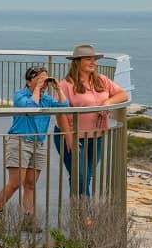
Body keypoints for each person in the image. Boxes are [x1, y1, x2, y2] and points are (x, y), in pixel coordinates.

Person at [0, 65, 68, 229]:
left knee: (31, 184)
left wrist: (58, 88)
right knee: (15, 183)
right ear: (29, 80)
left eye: (45, 79)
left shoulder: (46, 99)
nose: (43, 82)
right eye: (39, 79)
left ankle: (28, 220)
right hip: (20, 141)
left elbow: (64, 107)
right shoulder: (20, 95)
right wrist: (38, 89)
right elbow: (31, 109)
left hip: (38, 144)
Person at [54, 44, 129, 198]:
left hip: (96, 137)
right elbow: (60, 113)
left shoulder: (101, 80)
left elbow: (123, 95)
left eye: (94, 59)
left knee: (86, 176)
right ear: (77, 62)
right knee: (80, 176)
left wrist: (107, 103)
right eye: (89, 59)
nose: (93, 62)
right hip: (72, 136)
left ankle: (78, 211)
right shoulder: (66, 85)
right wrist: (69, 138)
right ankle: (85, 215)